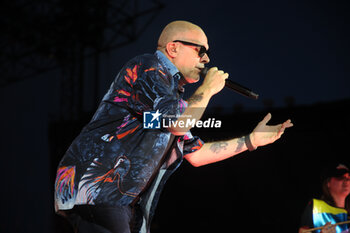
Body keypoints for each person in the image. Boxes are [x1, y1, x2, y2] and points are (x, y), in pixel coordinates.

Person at [54, 20, 293, 233]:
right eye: (200, 50)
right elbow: (180, 124)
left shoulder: (172, 100)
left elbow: (197, 154)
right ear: (173, 47)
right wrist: (207, 89)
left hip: (120, 201)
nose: (207, 59)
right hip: (95, 189)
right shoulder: (147, 67)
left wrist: (251, 141)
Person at [299, 164, 350, 233]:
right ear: (328, 183)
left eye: (349, 177)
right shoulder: (315, 208)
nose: (347, 179)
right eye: (340, 177)